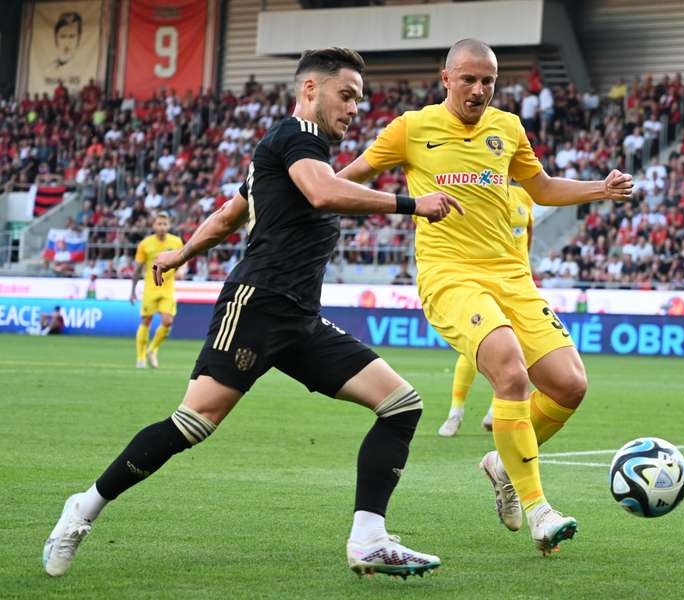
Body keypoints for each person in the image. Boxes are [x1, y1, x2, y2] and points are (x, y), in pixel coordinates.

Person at [43, 47, 461, 579]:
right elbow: (322, 193)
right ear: (311, 89)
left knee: (401, 404)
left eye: (359, 98)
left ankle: (369, 538)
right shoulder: (297, 139)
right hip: (257, 305)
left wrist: (179, 253)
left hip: (300, 319)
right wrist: (410, 204)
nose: (355, 107)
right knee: (192, 424)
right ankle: (83, 508)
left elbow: (227, 216)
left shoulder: (290, 151)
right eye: (347, 94)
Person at [338, 38, 633, 555]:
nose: (479, 90)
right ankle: (540, 508)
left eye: (488, 81)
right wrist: (397, 203)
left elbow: (539, 188)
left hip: (512, 277)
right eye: (469, 79)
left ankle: (502, 461)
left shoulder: (509, 128)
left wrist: (598, 189)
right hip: (450, 275)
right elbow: (346, 182)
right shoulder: (411, 128)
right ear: (446, 78)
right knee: (510, 371)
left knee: (569, 385)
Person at [438, 183, 534, 437]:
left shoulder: (524, 195)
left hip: (516, 284)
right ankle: (455, 413)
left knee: (515, 350)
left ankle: (495, 411)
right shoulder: (478, 191)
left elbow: (528, 234)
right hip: (484, 279)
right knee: (477, 347)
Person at [130, 213, 184, 368]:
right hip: (150, 288)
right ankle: (140, 358)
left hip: (167, 288)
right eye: (159, 224)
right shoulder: (145, 244)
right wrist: (132, 291)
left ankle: (152, 349)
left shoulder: (176, 242)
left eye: (165, 224)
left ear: (169, 225)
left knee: (168, 321)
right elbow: (138, 269)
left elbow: (184, 259)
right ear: (153, 226)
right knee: (146, 321)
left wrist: (182, 270)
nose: (162, 227)